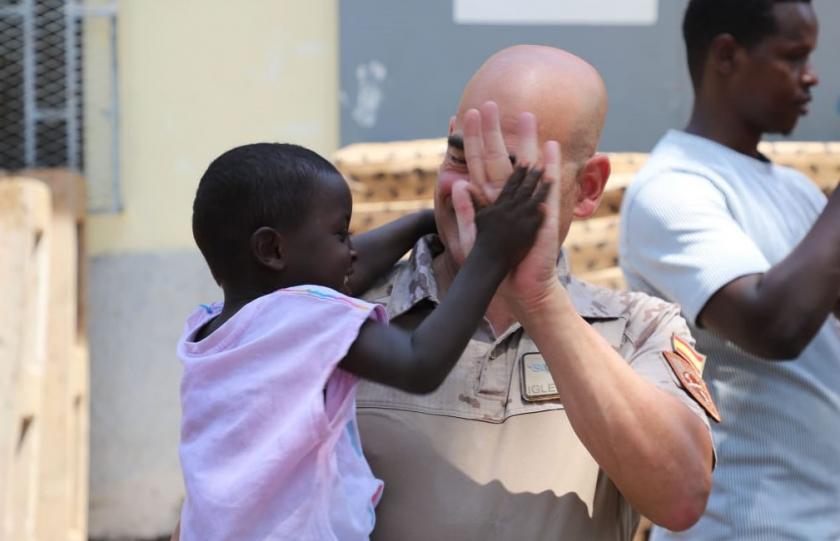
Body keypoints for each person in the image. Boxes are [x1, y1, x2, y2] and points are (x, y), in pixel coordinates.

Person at [355, 45, 717, 541]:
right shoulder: (345, 317)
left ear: (588, 187)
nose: (473, 191)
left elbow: (680, 499)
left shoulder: (638, 330)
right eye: (461, 158)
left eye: (510, 171)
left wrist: (541, 301)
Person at [174, 142, 552, 540]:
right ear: (271, 249)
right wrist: (492, 251)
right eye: (341, 234)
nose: (352, 251)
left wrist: (426, 223)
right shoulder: (306, 321)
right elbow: (417, 363)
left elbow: (342, 271)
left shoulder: (211, 330)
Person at [618, 0, 839, 538]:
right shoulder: (671, 190)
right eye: (793, 57)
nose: (811, 77)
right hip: (746, 525)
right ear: (726, 55)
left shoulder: (794, 190)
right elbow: (773, 325)